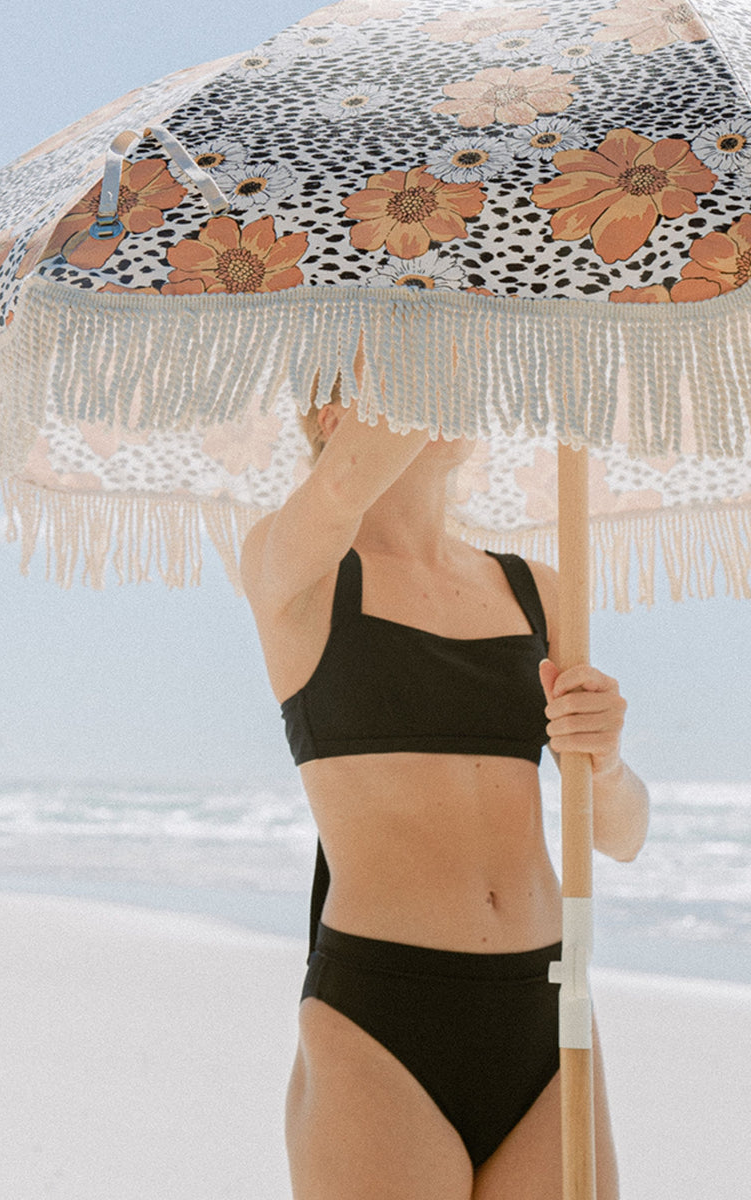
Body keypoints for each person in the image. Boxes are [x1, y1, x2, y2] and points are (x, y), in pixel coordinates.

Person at [239, 378, 650, 1200]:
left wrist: (602, 759)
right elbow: (348, 482)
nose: (447, 374)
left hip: (548, 1005)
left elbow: (623, 834)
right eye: (411, 361)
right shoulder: (296, 570)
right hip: (381, 1019)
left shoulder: (539, 589)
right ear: (331, 416)